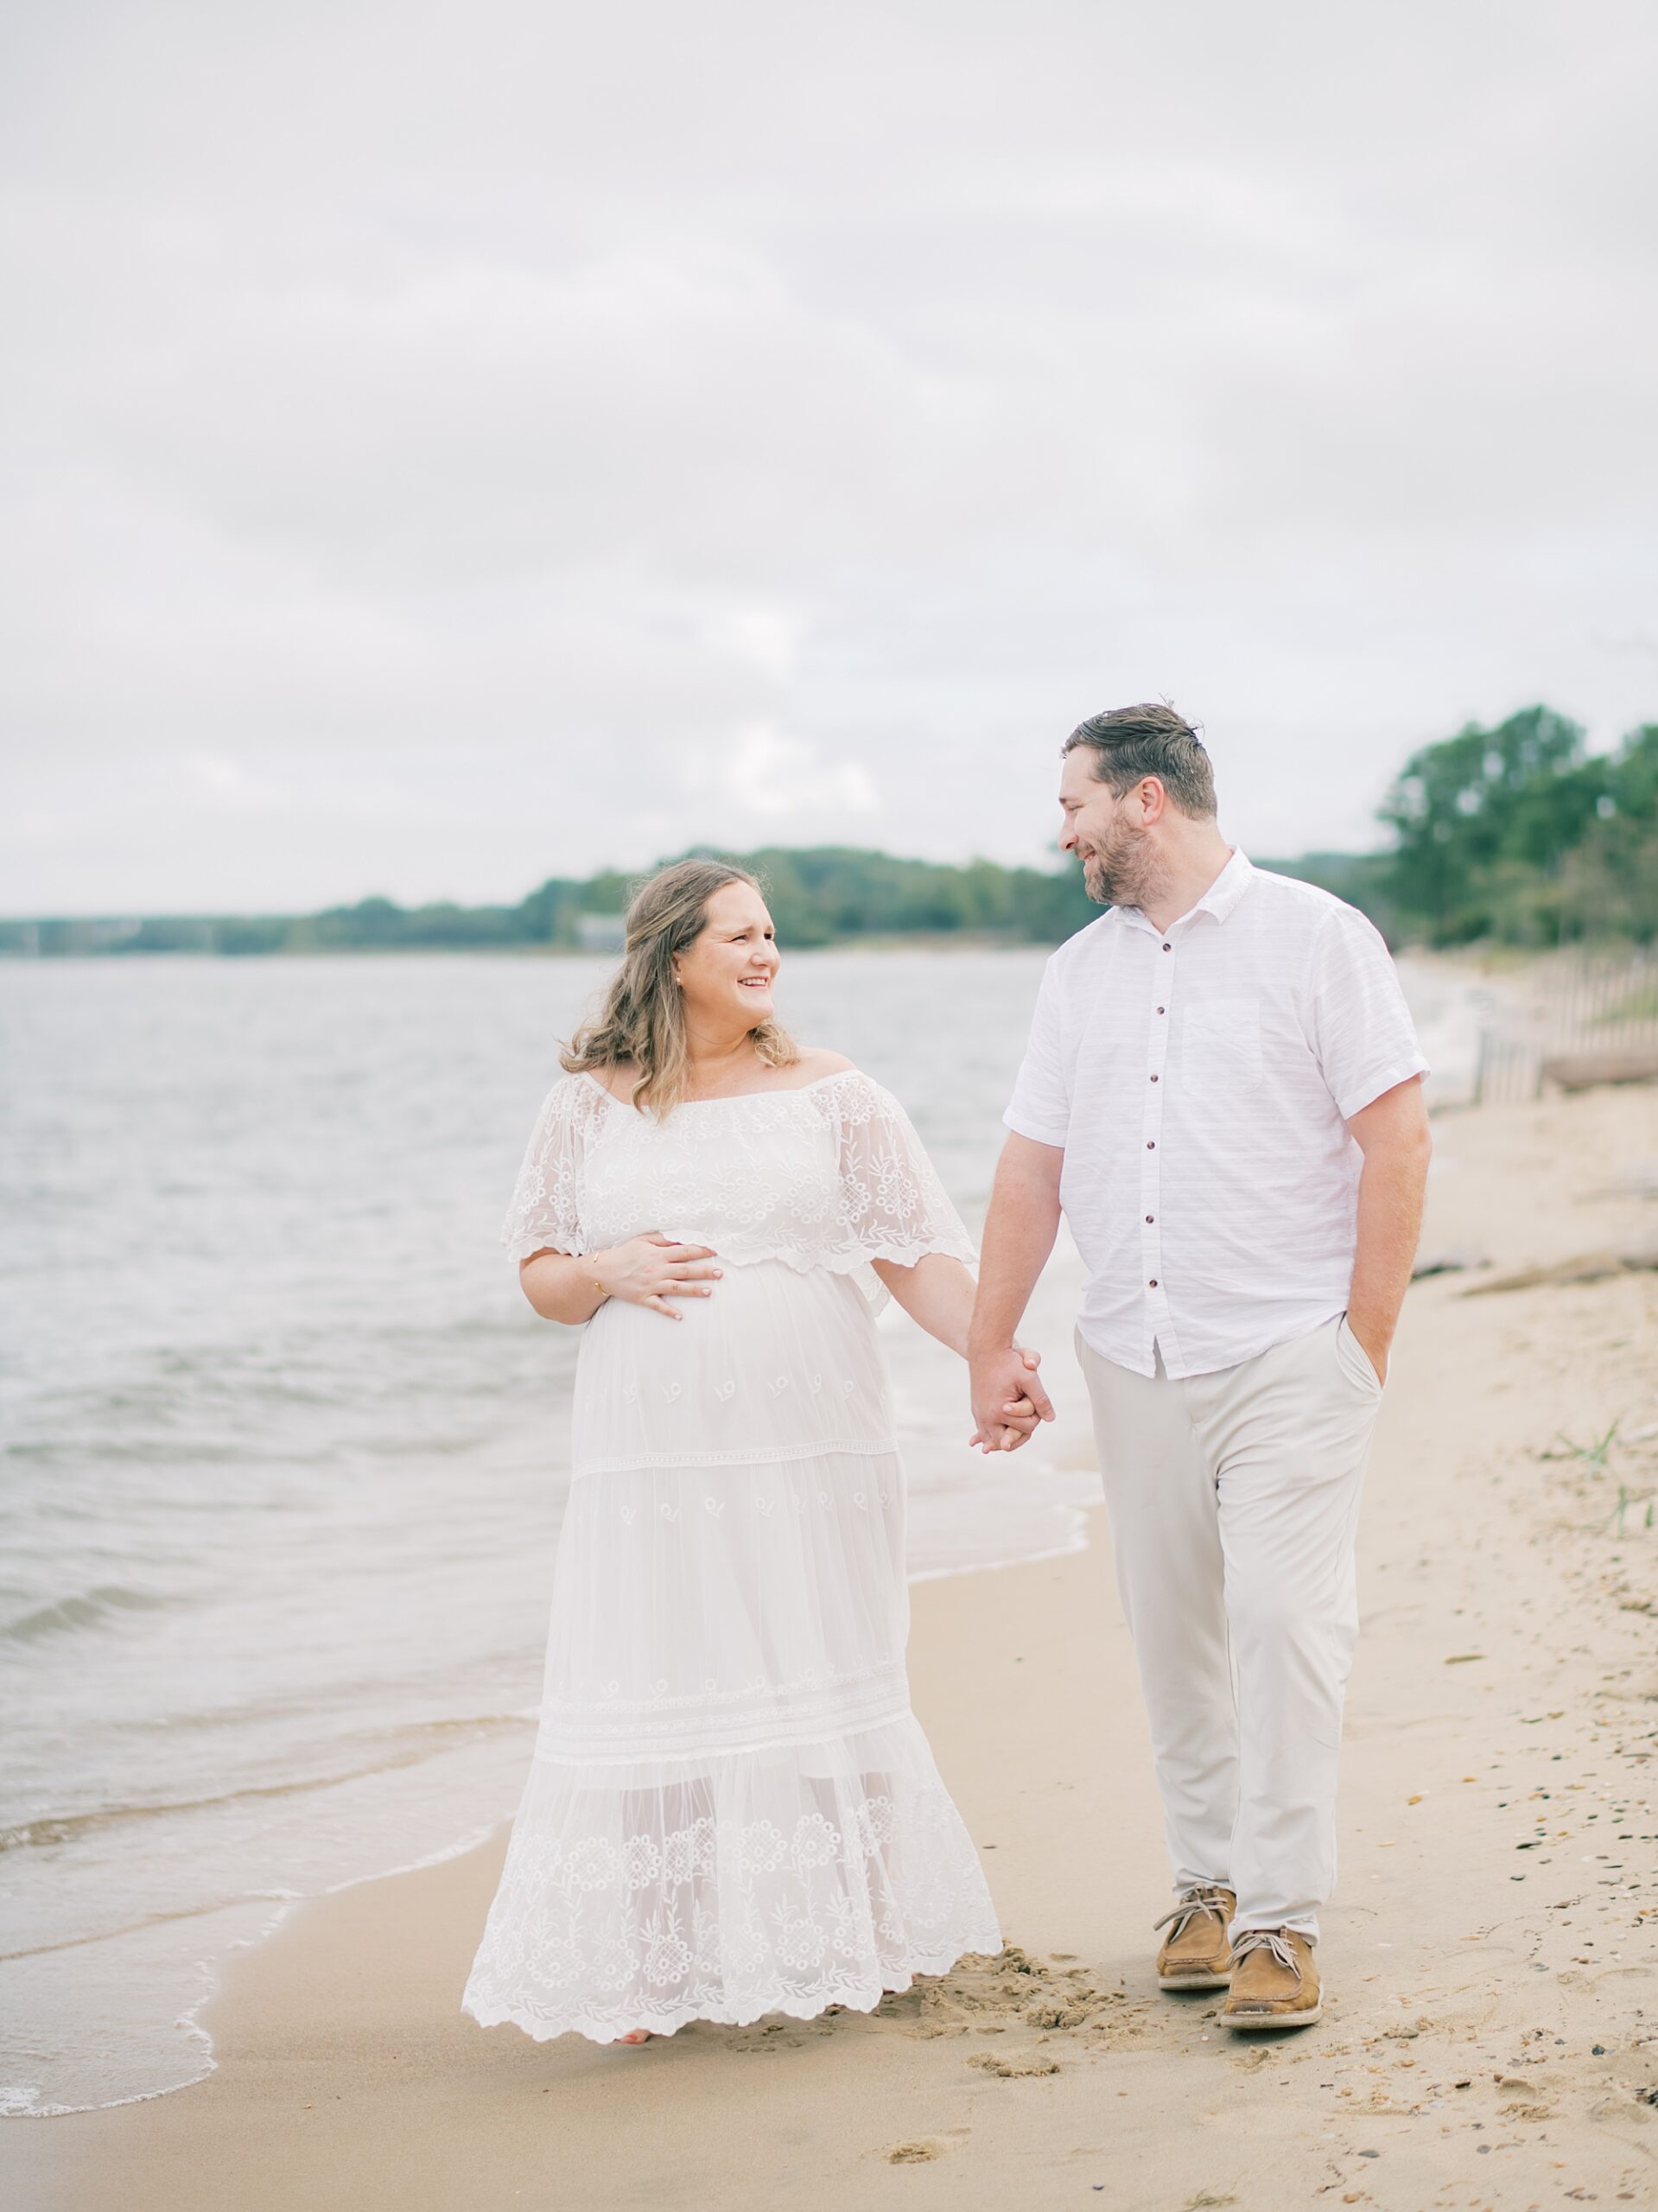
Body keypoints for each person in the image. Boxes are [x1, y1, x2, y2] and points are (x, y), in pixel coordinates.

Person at [464, 857, 1029, 2045]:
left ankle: (862, 1933)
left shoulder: (837, 1094)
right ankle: (651, 1973)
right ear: (673, 959)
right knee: (655, 1665)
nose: (766, 954)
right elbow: (541, 1279)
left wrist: (989, 1355)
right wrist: (606, 1270)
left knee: (825, 1650)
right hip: (648, 1464)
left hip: (811, 1439)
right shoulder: (589, 1105)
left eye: (772, 934)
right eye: (739, 937)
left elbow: (915, 1253)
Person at [968, 702, 1431, 2031]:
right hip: (1134, 1354)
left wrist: (1364, 1342)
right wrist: (994, 1341)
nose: (1062, 831)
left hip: (1293, 1348)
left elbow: (1396, 1141)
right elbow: (1031, 1170)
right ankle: (1204, 1892)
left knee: (1288, 1628)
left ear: (1146, 802)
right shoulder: (1077, 974)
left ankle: (1284, 1923)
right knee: (1174, 1640)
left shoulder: (1318, 937)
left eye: (1074, 805)